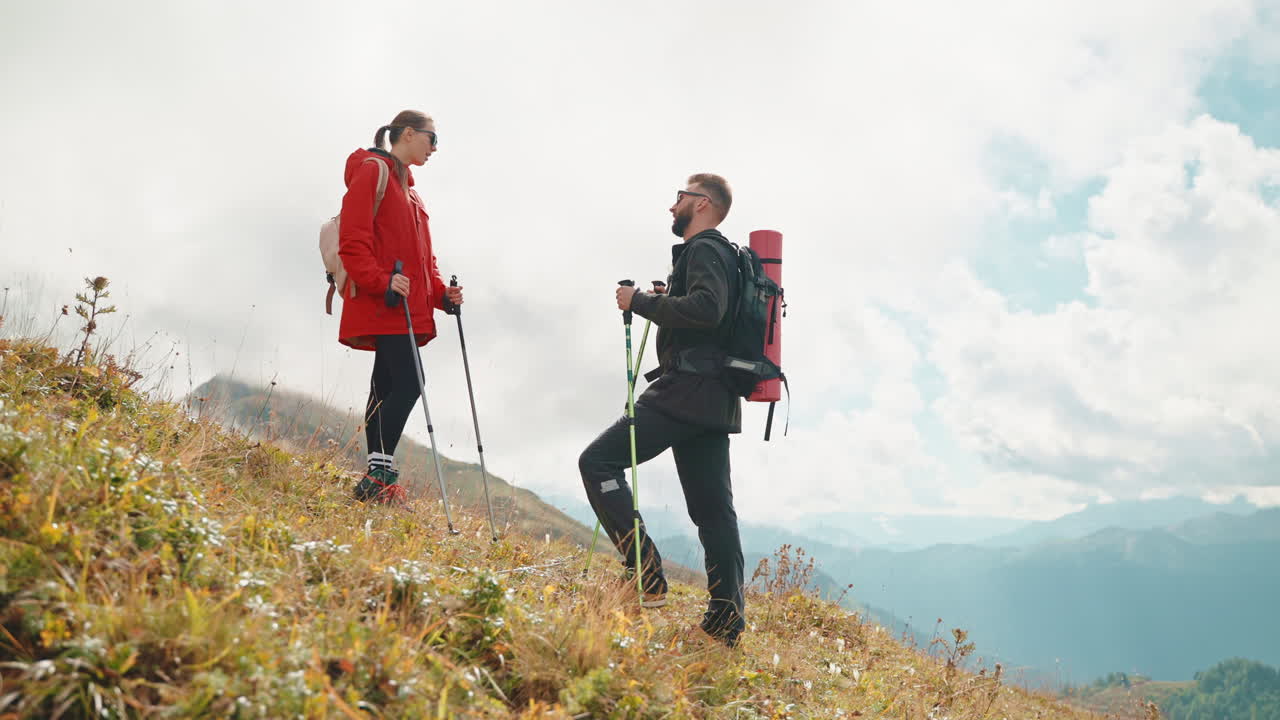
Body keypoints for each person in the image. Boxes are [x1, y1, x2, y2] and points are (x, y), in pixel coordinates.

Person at [580, 173, 747, 647]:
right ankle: (726, 619)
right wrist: (667, 300)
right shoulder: (729, 257)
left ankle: (646, 573)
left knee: (598, 461)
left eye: (680, 197)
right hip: (716, 397)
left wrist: (644, 302)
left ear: (704, 204)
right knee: (714, 511)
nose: (671, 205)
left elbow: (707, 310)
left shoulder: (705, 249)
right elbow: (707, 316)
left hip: (686, 389)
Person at [337, 110, 463, 505]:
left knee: (386, 385)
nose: (435, 149)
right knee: (409, 383)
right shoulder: (372, 172)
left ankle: (378, 478)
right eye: (432, 140)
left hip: (404, 303)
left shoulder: (410, 190)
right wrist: (381, 280)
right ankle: (379, 473)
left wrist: (442, 295)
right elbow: (352, 240)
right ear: (408, 134)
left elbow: (425, 261)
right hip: (386, 302)